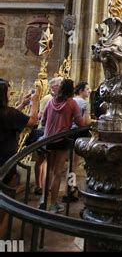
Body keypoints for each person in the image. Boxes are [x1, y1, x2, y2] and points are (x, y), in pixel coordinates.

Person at [42, 79, 86, 213]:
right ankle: (53, 204)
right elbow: (80, 123)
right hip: (61, 139)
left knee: (49, 171)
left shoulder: (50, 102)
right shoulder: (72, 103)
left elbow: (43, 120)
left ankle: (43, 201)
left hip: (48, 139)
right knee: (57, 173)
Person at [0, 78, 39, 182]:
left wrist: (23, 104)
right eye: (8, 92)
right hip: (5, 159)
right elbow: (33, 121)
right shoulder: (9, 113)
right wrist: (35, 102)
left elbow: (10, 116)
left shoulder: (8, 113)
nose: (10, 94)